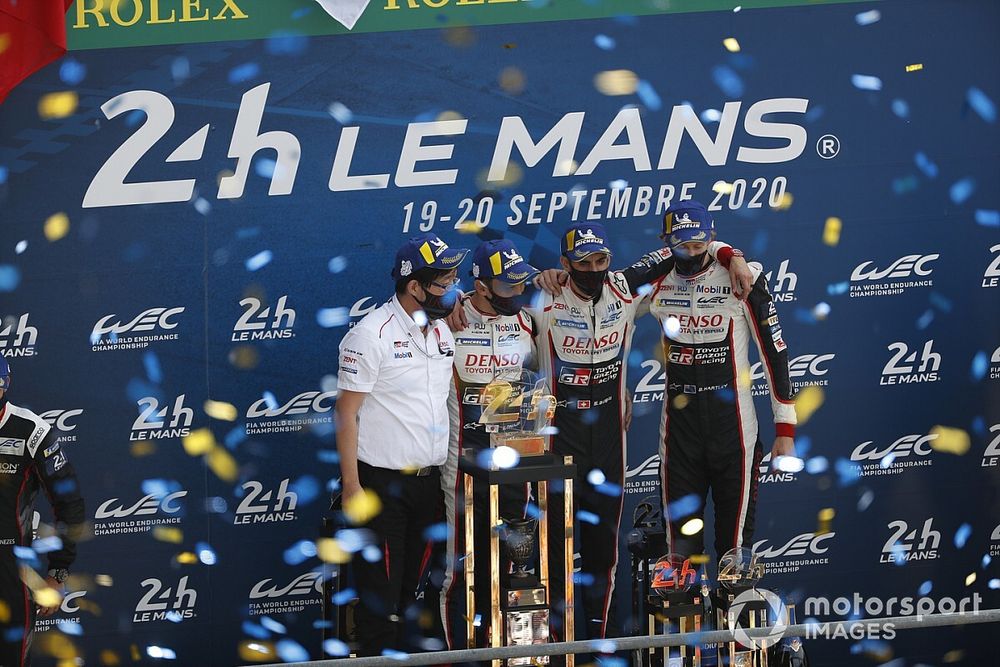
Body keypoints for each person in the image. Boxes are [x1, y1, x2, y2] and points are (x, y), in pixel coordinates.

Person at [528, 222, 750, 641]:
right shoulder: (545, 296)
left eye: (601, 261)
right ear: (565, 265)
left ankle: (595, 642)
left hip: (611, 438)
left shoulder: (626, 288)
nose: (593, 270)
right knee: (551, 552)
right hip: (559, 438)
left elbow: (685, 247)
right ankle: (555, 645)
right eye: (583, 263)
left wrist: (729, 253)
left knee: (603, 555)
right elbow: (491, 295)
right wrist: (464, 301)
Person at [335, 233, 468, 656]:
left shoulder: (444, 331)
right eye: (442, 281)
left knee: (411, 595)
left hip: (429, 485)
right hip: (381, 487)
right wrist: (352, 486)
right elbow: (345, 413)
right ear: (415, 286)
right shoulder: (370, 334)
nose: (451, 287)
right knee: (381, 598)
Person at [648, 201, 796, 562]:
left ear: (711, 237)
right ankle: (684, 617)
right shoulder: (655, 280)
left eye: (700, 246)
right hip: (679, 432)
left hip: (735, 431)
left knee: (735, 552)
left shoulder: (743, 277)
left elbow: (775, 353)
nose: (692, 253)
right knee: (680, 554)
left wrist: (785, 430)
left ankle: (734, 612)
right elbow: (606, 301)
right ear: (666, 241)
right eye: (683, 246)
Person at [439, 238, 540, 650]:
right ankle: (460, 655)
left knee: (515, 565)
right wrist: (447, 304)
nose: (518, 292)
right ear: (481, 287)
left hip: (515, 456)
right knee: (461, 567)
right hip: (460, 457)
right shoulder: (450, 319)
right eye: (508, 286)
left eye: (521, 284)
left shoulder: (530, 323)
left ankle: (509, 653)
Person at [0, 357, 85, 667]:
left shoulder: (32, 431)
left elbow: (70, 503)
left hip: (10, 569)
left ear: (5, 385)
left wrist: (58, 573)